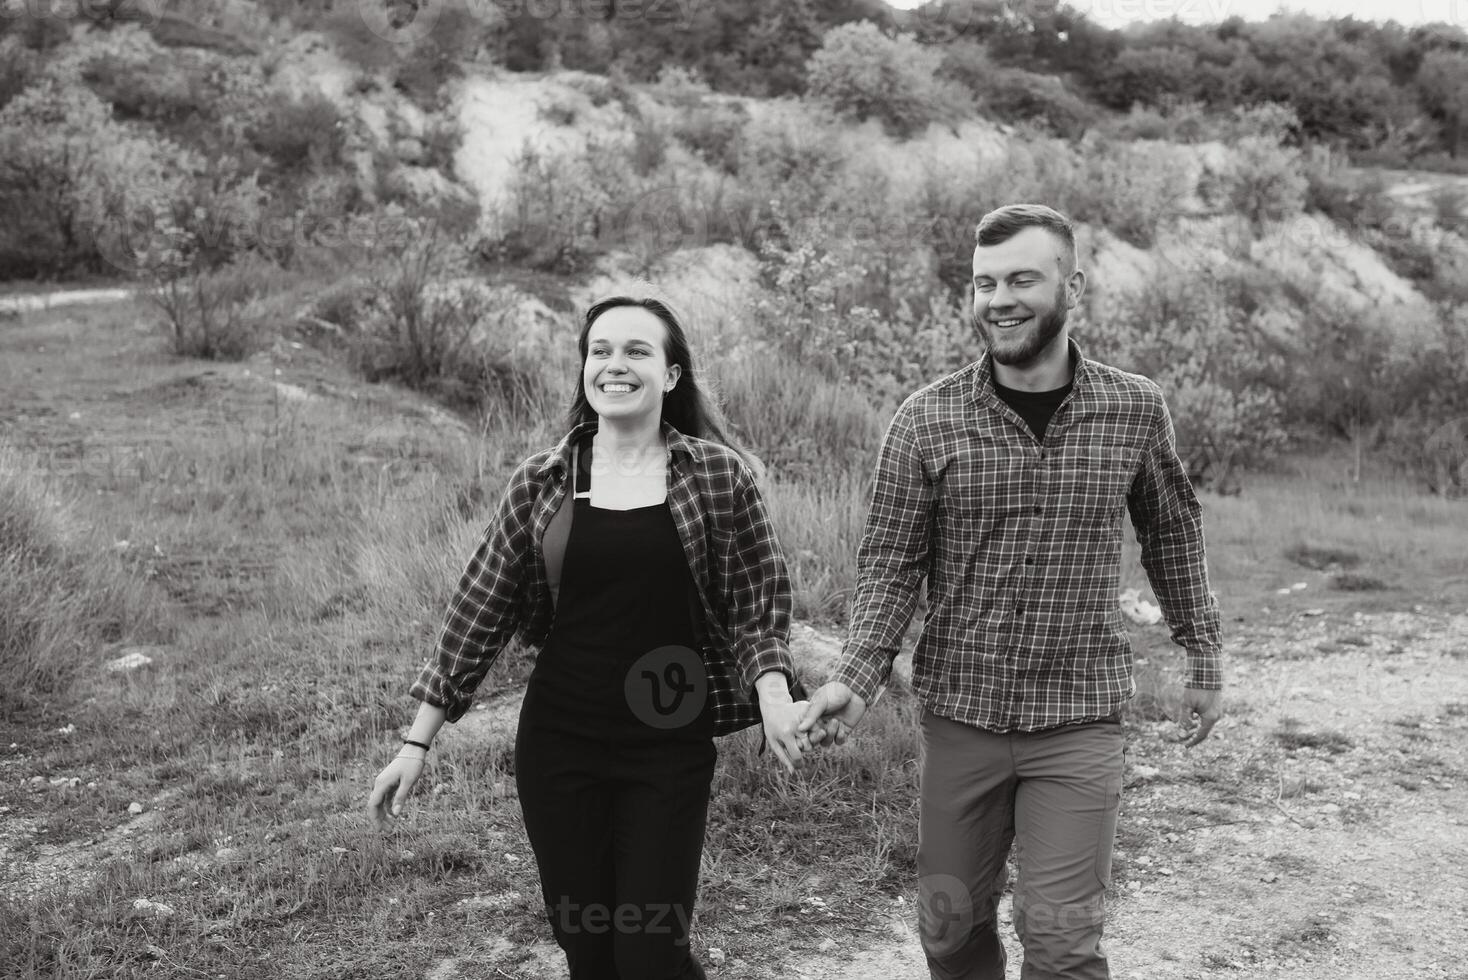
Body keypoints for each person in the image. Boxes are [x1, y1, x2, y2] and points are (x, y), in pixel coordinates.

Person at [799, 204, 1224, 980]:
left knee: (1062, 945)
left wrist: (1204, 655)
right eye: (984, 282)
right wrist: (855, 679)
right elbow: (892, 562)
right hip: (962, 714)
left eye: (1022, 278)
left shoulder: (1133, 408)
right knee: (949, 934)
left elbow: (1172, 531)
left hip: (1079, 716)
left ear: (1074, 285)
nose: (1000, 298)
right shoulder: (926, 419)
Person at [367, 289, 811, 980]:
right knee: (591, 950)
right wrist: (414, 743)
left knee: (650, 950)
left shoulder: (718, 476)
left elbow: (756, 603)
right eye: (600, 351)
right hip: (560, 745)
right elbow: (478, 611)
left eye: (637, 350)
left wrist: (776, 696)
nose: (615, 364)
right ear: (584, 369)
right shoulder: (541, 482)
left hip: (668, 743)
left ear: (670, 374)